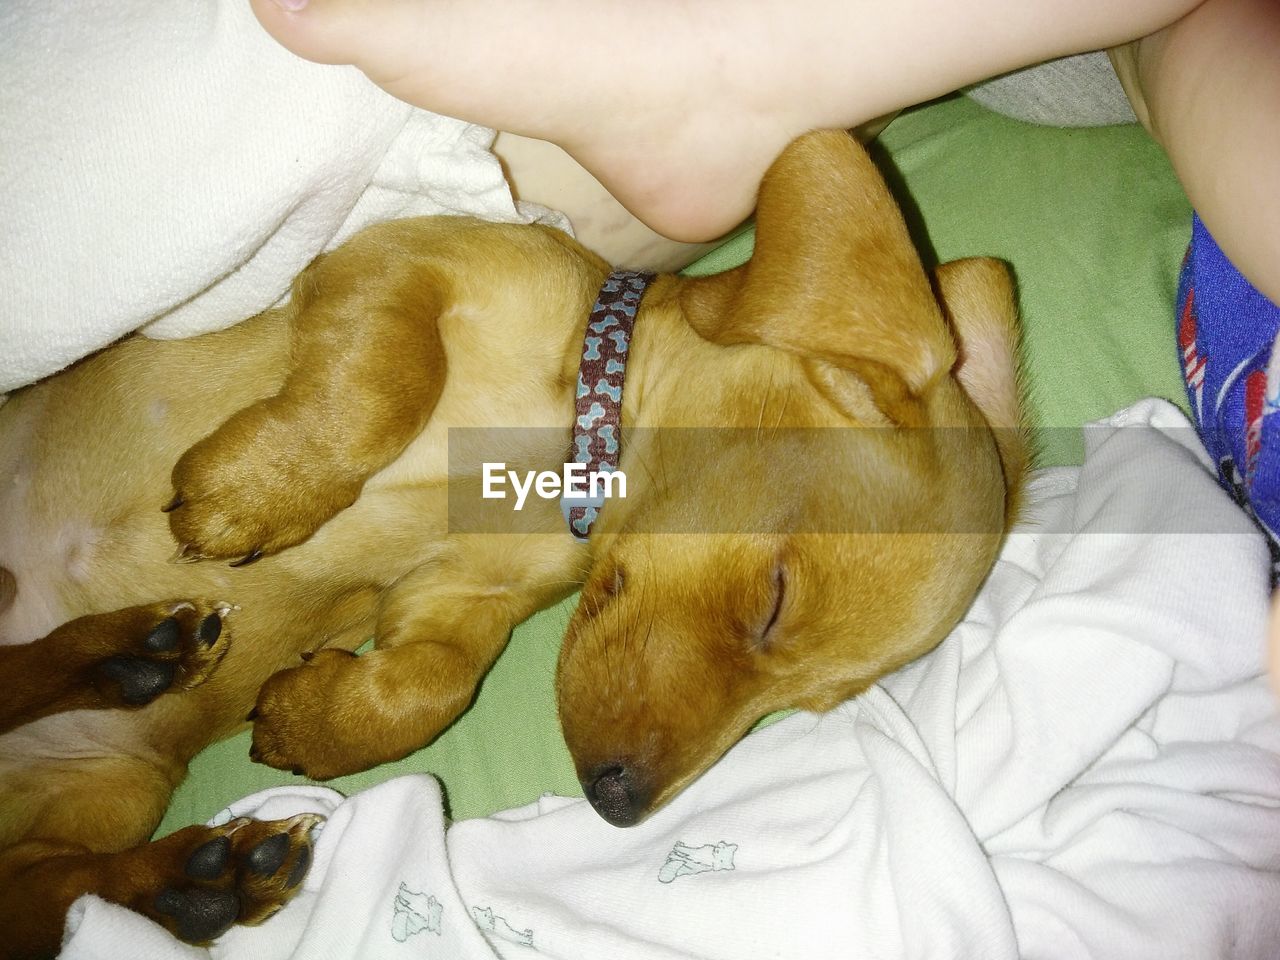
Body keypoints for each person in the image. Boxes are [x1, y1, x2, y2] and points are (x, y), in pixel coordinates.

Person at [248, 0, 1280, 687]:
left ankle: (744, 91)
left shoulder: (578, 482)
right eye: (770, 602)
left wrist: (427, 666)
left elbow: (473, 519)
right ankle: (738, 88)